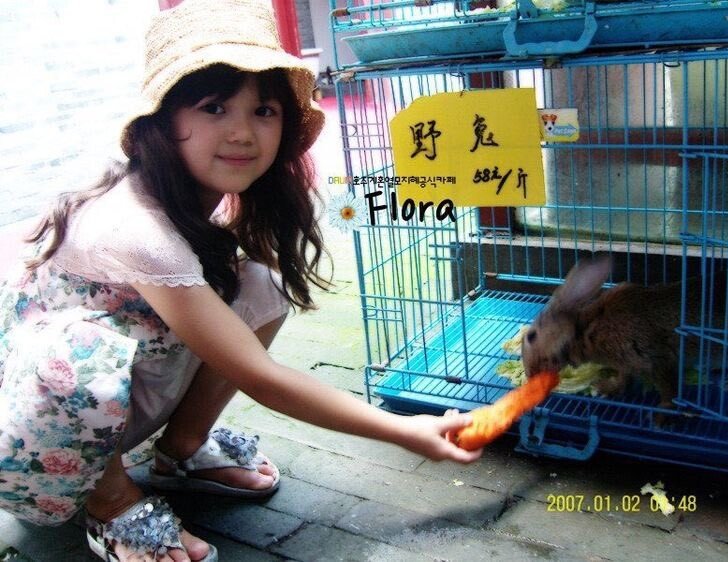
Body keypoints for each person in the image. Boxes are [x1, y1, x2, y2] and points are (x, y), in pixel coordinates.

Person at [0, 0, 482, 560]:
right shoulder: (136, 227)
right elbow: (261, 377)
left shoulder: (193, 199)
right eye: (214, 107)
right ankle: (108, 501)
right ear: (163, 120)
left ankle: (181, 449)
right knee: (81, 352)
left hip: (124, 395)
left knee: (259, 284)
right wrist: (404, 430)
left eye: (264, 110)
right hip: (36, 429)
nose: (243, 133)